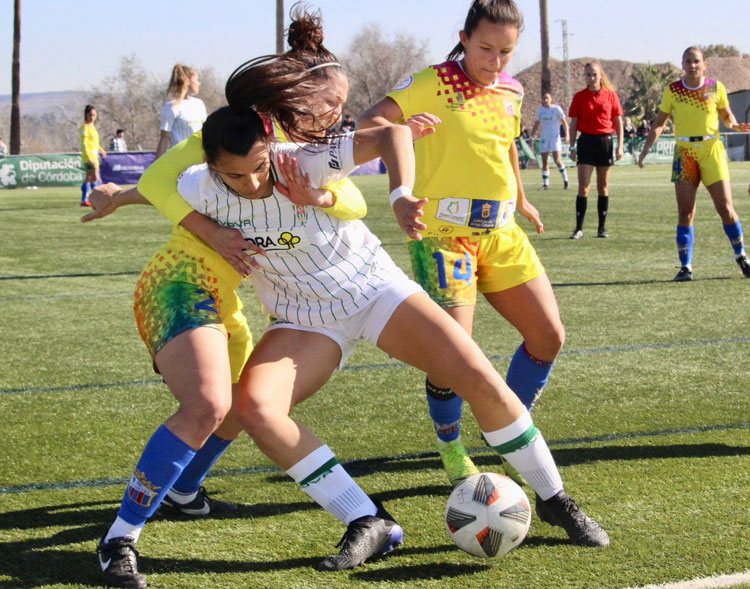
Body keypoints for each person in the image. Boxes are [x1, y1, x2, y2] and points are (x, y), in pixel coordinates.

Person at [88, 51, 376, 587]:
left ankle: (184, 491)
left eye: (257, 168)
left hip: (227, 303)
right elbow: (163, 186)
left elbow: (355, 200)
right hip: (177, 284)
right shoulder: (206, 171)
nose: (247, 183)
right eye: (234, 174)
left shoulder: (288, 162)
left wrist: (324, 191)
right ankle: (118, 540)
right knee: (208, 404)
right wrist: (131, 201)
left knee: (241, 407)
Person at [358, 0, 567, 491]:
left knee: (548, 336)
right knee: (454, 355)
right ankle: (451, 448)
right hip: (443, 237)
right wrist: (401, 173)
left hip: (501, 233)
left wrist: (520, 197)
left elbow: (506, 144)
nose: (495, 61)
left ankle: (508, 421)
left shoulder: (513, 91)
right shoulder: (431, 83)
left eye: (506, 52)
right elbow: (369, 125)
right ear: (465, 37)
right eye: (485, 48)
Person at [637, 46, 750, 281]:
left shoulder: (715, 87)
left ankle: (742, 256)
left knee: (726, 208)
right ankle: (686, 267)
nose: (692, 65)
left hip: (711, 151)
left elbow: (726, 116)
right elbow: (660, 122)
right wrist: (647, 146)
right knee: (685, 211)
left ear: (704, 64)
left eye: (696, 61)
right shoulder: (674, 90)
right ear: (683, 65)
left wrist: (735, 125)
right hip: (685, 153)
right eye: (688, 61)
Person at [568, 61, 624, 239]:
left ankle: (601, 228)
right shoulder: (579, 97)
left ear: (600, 76)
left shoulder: (610, 95)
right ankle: (578, 228)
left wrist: (620, 145)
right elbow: (574, 123)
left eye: (594, 74)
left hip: (605, 142)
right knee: (584, 187)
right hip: (586, 142)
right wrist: (571, 145)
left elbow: (618, 121)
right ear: (584, 77)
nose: (591, 78)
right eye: (588, 75)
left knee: (603, 186)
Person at [155, 64, 207, 158]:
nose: (198, 83)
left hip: (200, 160)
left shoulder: (199, 104)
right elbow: (164, 138)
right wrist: (156, 168)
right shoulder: (171, 107)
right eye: (196, 80)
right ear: (187, 81)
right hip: (181, 161)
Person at [530, 92, 570, 189]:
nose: (545, 100)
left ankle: (566, 181)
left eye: (547, 98)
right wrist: (531, 135)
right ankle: (545, 184)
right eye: (544, 98)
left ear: (551, 99)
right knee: (545, 161)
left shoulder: (556, 109)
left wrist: (567, 134)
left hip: (555, 137)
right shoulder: (541, 111)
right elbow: (537, 123)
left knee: (557, 160)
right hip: (544, 138)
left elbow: (564, 122)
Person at [80, 104, 107, 207]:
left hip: (94, 155)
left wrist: (101, 149)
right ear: (86, 115)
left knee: (89, 178)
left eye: (94, 115)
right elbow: (85, 143)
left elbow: (94, 142)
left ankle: (85, 199)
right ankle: (96, 199)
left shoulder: (93, 127)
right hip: (89, 156)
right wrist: (89, 157)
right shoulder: (85, 127)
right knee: (95, 177)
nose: (92, 117)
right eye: (90, 115)